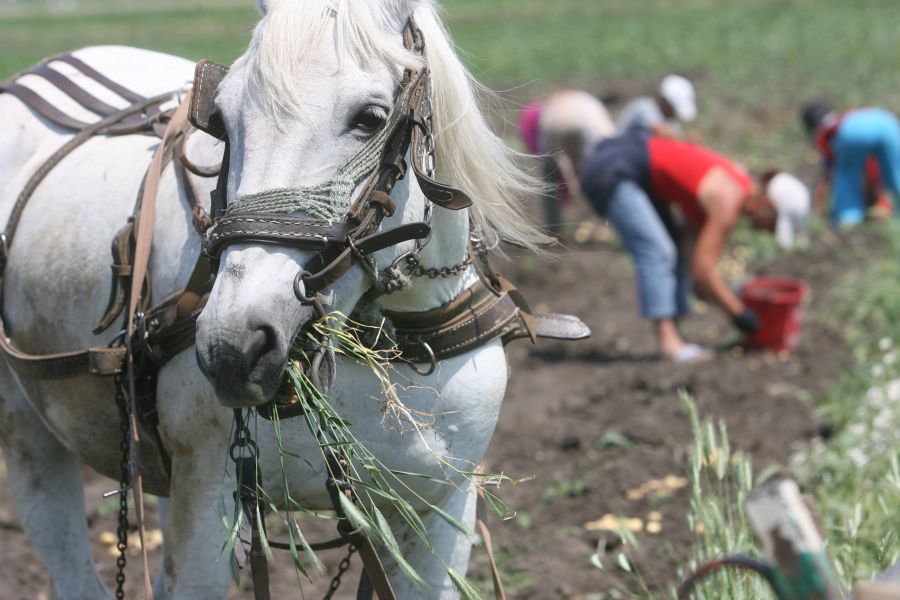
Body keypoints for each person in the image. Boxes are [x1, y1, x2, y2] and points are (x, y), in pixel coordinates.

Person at [580, 130, 810, 362]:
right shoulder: (728, 199)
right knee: (658, 251)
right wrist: (739, 313)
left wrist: (723, 296)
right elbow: (703, 272)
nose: (767, 232)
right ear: (766, 204)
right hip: (613, 169)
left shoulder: (734, 184)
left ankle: (676, 335)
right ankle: (669, 344)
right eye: (772, 225)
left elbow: (692, 258)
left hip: (628, 170)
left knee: (675, 251)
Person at [519, 90, 616, 233]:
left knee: (550, 175)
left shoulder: (546, 113)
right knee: (601, 172)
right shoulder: (590, 107)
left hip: (557, 121)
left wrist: (571, 179)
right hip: (583, 119)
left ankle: (553, 229)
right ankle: (610, 222)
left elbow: (556, 157)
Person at [801, 102, 900, 225]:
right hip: (886, 120)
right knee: (896, 172)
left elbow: (827, 175)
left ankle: (849, 219)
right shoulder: (846, 115)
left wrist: (818, 208)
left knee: (847, 176)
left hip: (853, 130)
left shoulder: (826, 133)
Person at [617, 74, 697, 138]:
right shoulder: (644, 107)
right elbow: (660, 130)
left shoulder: (670, 121)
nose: (675, 115)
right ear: (665, 102)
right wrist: (685, 138)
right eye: (673, 110)